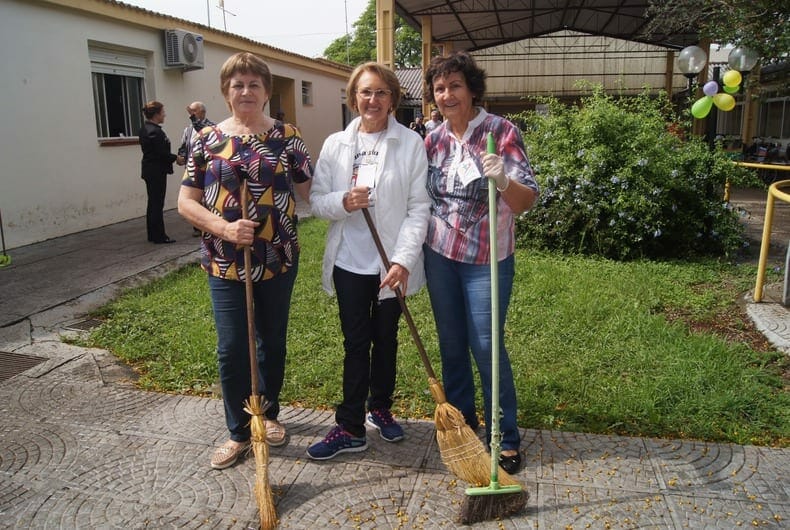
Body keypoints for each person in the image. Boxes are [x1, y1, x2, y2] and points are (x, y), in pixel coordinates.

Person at [177, 52, 313, 470]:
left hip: (277, 255)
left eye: (254, 84)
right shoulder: (207, 139)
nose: (246, 91)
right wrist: (223, 228)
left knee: (271, 342)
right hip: (224, 260)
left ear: (267, 91)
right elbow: (185, 202)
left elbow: (312, 189)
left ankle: (268, 414)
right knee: (233, 347)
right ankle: (238, 430)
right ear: (226, 91)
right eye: (237, 84)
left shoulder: (288, 135)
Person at [422, 51, 539, 475]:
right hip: (440, 257)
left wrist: (503, 180)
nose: (447, 94)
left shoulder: (501, 132)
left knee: (486, 345)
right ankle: (466, 426)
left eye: (455, 85)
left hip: (486, 260)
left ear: (472, 89)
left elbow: (525, 202)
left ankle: (505, 436)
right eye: (439, 88)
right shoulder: (432, 139)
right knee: (451, 346)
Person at [307, 62, 430, 460]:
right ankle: (350, 426)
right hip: (349, 262)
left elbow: (418, 208)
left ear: (392, 98)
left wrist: (403, 260)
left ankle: (380, 406)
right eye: (364, 92)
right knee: (356, 343)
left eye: (380, 92)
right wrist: (343, 201)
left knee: (387, 339)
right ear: (353, 97)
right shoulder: (335, 144)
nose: (372, 100)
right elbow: (317, 203)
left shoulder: (410, 143)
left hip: (389, 263)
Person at [138, 101, 178, 244]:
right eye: (162, 112)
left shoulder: (146, 128)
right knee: (156, 204)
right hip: (156, 171)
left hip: (150, 170)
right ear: (156, 114)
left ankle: (153, 234)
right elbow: (161, 153)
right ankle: (159, 236)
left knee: (153, 203)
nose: (164, 115)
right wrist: (176, 158)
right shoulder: (154, 131)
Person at [176, 101, 214, 236]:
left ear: (202, 112)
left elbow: (202, 131)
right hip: (192, 169)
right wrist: (181, 156)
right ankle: (197, 227)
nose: (190, 114)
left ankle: (208, 225)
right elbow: (184, 145)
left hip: (207, 168)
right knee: (193, 199)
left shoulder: (211, 127)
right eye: (190, 111)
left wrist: (193, 118)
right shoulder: (188, 129)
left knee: (206, 198)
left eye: (194, 111)